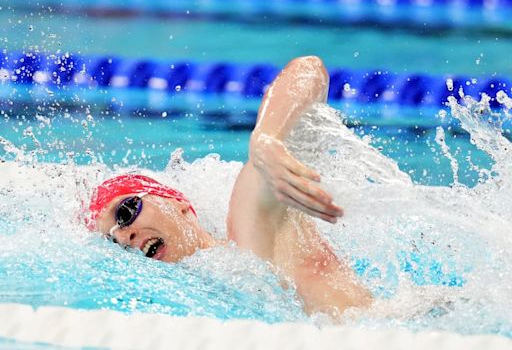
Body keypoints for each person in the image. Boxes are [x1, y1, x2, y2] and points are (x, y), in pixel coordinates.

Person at [87, 56, 372, 318]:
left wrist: (266, 139)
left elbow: (309, 69)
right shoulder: (197, 300)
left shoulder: (251, 234)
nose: (124, 237)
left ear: (175, 201)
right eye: (114, 241)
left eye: (125, 212)